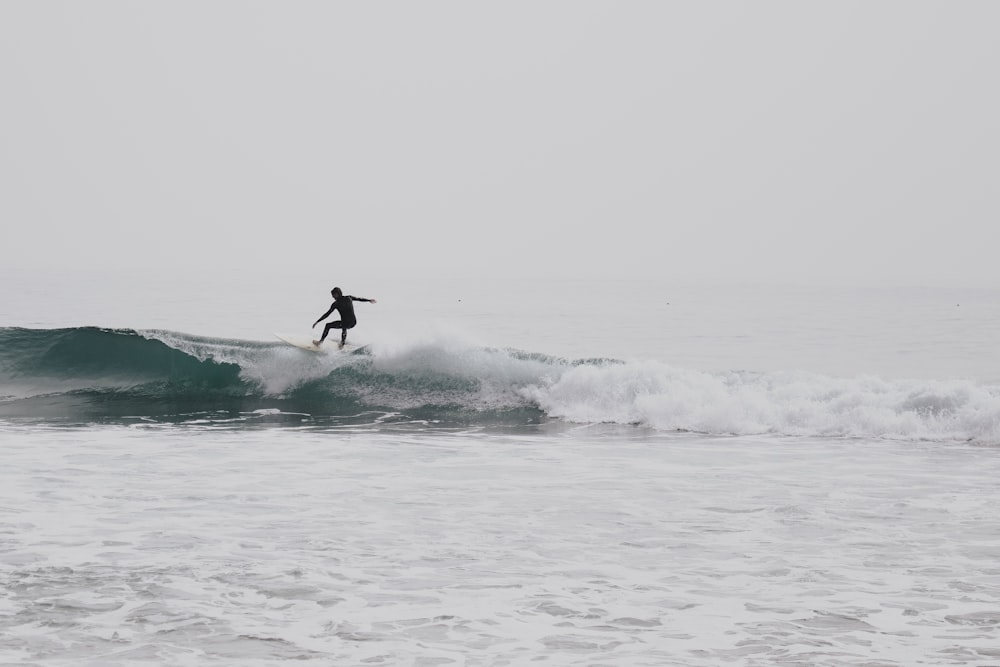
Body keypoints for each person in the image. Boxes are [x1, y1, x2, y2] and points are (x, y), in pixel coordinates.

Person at [312, 287, 377, 348]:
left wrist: (317, 321)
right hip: (353, 322)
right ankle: (342, 343)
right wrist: (369, 300)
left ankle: (320, 343)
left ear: (337, 294)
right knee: (344, 325)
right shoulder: (349, 298)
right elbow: (359, 299)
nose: (332, 297)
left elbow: (327, 314)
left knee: (328, 325)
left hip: (346, 323)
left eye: (333, 295)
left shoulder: (336, 304)